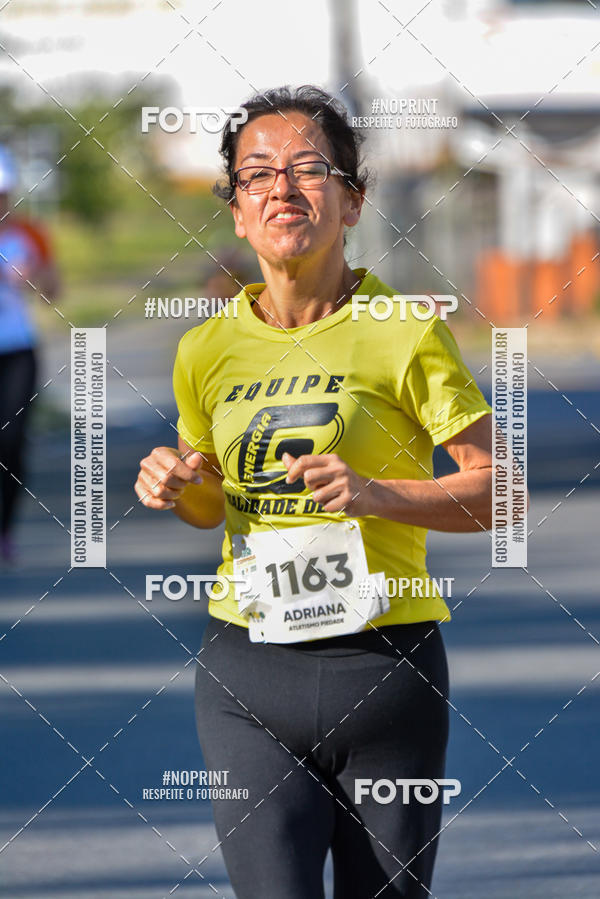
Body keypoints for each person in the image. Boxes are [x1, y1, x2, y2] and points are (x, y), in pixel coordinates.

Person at [134, 85, 495, 898]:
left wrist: (376, 495)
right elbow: (209, 502)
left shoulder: (406, 329)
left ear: (354, 199)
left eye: (308, 169)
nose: (281, 189)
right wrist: (180, 483)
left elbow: (496, 494)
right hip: (245, 677)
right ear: (234, 209)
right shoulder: (204, 347)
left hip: (386, 670)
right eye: (256, 174)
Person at [0, 144, 60, 564]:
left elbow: (55, 289)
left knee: (11, 442)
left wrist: (35, 277)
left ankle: (4, 531)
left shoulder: (28, 234)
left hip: (18, 350)